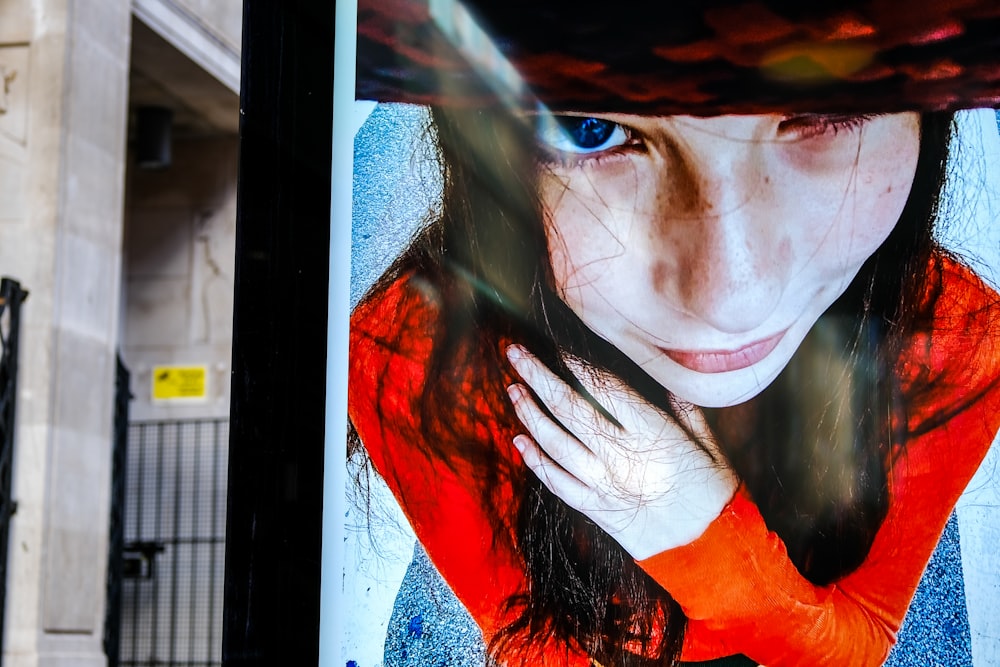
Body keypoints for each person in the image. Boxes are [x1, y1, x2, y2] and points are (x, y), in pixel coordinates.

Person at [348, 100, 1000, 667]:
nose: (733, 300)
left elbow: (864, 643)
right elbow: (536, 646)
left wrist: (704, 533)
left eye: (825, 108)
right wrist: (748, 591)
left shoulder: (955, 341)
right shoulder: (411, 355)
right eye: (590, 127)